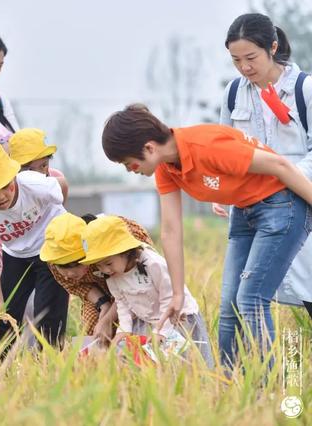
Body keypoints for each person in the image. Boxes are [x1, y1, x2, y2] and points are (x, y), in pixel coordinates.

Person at [101, 104, 312, 369]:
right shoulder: (167, 168)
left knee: (250, 299)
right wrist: (177, 293)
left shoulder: (206, 146)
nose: (129, 170)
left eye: (128, 163)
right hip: (245, 211)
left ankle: (265, 386)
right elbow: (170, 230)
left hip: (281, 206)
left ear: (150, 148)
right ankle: (226, 383)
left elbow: (280, 165)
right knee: (229, 306)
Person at [218, 12, 312, 318]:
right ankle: (282, 368)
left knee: (305, 294)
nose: (245, 67)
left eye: (251, 57)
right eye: (236, 60)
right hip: (252, 215)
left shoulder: (304, 90)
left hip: (299, 206)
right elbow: (225, 150)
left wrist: (284, 178)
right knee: (260, 304)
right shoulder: (233, 94)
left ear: (272, 48)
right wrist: (223, 192)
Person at [0, 139, 68, 349]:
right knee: (4, 315)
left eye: (4, 187)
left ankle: (50, 363)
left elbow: (62, 186)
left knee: (47, 312)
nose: (0, 197)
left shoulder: (35, 184)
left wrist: (62, 228)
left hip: (51, 249)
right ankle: (2, 370)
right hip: (16, 255)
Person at [80, 215, 214, 367]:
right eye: (99, 266)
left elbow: (169, 298)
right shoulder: (111, 275)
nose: (104, 269)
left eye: (108, 263)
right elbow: (122, 303)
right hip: (147, 321)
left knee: (184, 367)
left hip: (177, 320)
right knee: (146, 367)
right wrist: (124, 329)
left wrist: (162, 332)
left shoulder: (153, 264)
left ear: (125, 251)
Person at [39, 212, 153, 346]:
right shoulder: (54, 258)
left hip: (135, 287)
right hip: (102, 287)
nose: (69, 273)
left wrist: (108, 320)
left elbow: (129, 288)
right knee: (94, 325)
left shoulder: (113, 251)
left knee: (135, 326)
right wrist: (104, 304)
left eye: (76, 264)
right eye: (62, 267)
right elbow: (78, 287)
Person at [8, 128, 69, 202]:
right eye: (29, 170)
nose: (39, 174)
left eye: (43, 165)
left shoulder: (56, 177)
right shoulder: (7, 190)